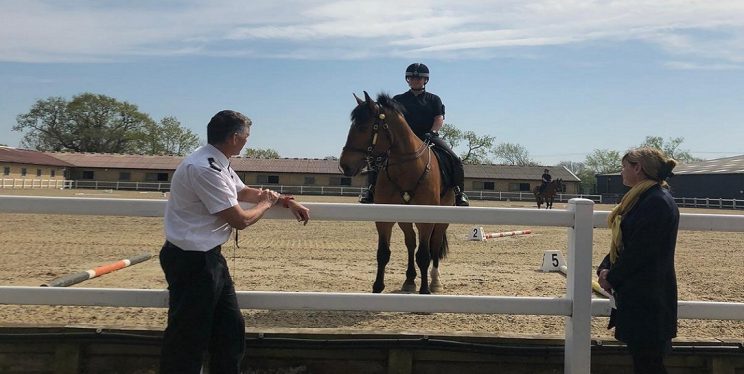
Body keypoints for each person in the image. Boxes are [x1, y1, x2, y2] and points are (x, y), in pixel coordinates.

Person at [159, 110, 310, 374]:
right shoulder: (204, 168)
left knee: (230, 330)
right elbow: (240, 219)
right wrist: (266, 204)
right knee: (187, 340)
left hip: (207, 258)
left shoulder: (217, 161)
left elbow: (242, 191)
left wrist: (285, 200)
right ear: (233, 137)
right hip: (193, 261)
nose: (247, 141)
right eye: (246, 136)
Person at [596, 147, 679, 374]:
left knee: (649, 365)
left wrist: (611, 276)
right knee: (646, 363)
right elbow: (626, 242)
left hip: (648, 300)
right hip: (643, 298)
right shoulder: (644, 199)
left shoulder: (655, 202)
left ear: (637, 168)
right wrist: (605, 266)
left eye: (624, 167)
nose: (621, 171)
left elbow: (640, 252)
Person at [359, 62, 470, 206]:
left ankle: (458, 193)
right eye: (412, 78)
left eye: (419, 78)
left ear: (425, 80)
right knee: (376, 159)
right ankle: (371, 190)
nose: (415, 80)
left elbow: (439, 118)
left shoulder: (434, 99)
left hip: (428, 137)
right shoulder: (398, 99)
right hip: (402, 141)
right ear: (408, 80)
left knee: (454, 159)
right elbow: (388, 117)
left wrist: (433, 132)